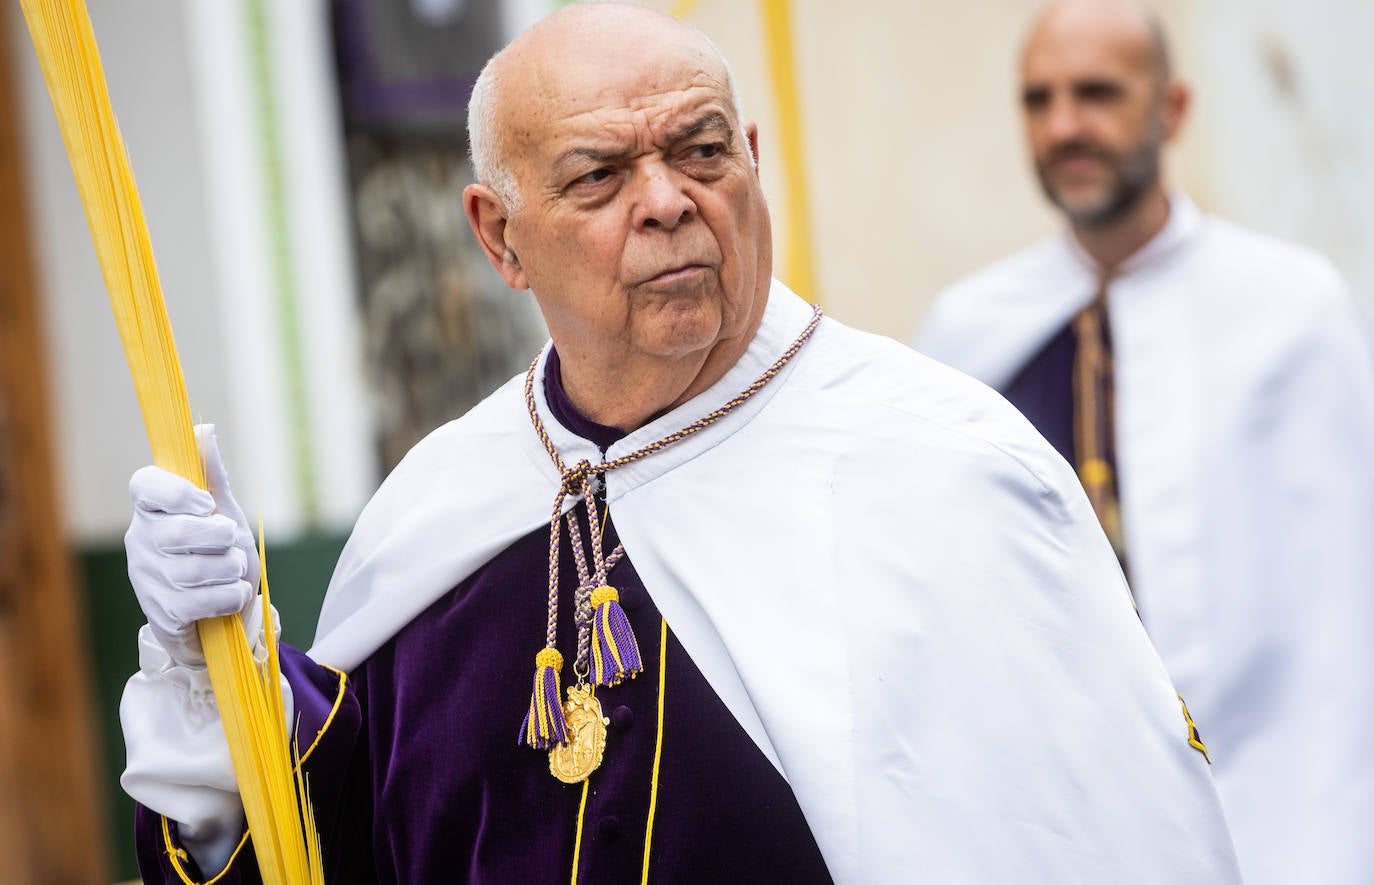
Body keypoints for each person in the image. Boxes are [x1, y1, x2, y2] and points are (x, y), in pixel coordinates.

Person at [118, 4, 1239, 882]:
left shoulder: (939, 465)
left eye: (701, 152)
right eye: (599, 176)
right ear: (499, 237)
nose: (666, 202)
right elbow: (337, 847)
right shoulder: (436, 511)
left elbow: (1101, 839)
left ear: (752, 159)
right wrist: (215, 669)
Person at [916, 2, 1374, 883]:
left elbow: (1346, 614)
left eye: (1097, 93)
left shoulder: (1291, 312)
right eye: (1038, 99)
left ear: (1171, 109)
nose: (1064, 126)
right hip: (1062, 822)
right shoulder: (968, 331)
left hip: (1282, 803)